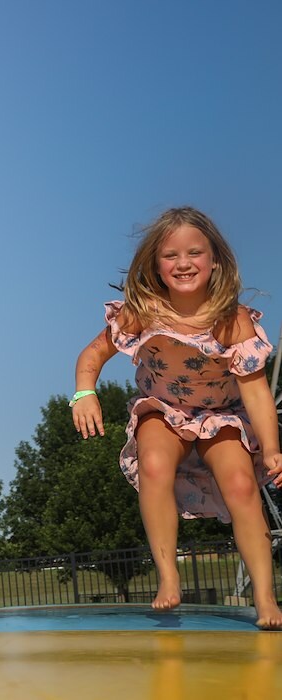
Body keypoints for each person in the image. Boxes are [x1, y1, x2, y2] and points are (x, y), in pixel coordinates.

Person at [72, 206, 282, 629]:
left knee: (241, 485)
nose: (183, 263)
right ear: (156, 265)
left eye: (194, 253)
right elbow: (93, 353)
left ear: (215, 260)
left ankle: (265, 596)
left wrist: (273, 449)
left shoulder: (232, 320)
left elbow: (256, 391)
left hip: (221, 415)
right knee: (153, 464)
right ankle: (168, 576)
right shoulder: (143, 311)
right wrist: (84, 392)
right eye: (171, 255)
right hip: (164, 410)